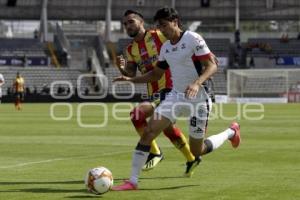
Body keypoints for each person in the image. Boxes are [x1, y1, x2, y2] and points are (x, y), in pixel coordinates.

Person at [112, 7, 241, 191]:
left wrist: (197, 83)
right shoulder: (165, 47)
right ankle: (132, 181)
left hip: (200, 97)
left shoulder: (193, 38)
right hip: (175, 96)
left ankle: (231, 132)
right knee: (149, 132)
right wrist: (130, 79)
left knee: (197, 150)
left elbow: (212, 66)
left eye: (164, 25)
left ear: (175, 21)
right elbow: (156, 74)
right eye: (159, 26)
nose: (162, 29)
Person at [116, 9, 196, 173]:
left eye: (131, 21)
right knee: (167, 128)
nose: (128, 26)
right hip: (153, 92)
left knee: (137, 114)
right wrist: (122, 68)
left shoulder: (158, 35)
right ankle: (191, 158)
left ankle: (155, 152)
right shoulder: (131, 49)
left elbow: (179, 40)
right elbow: (131, 73)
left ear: (141, 22)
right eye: (125, 24)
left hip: (171, 88)